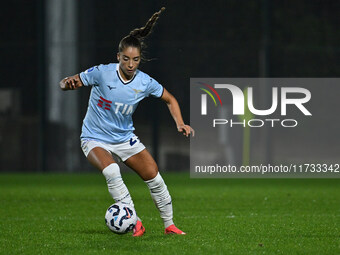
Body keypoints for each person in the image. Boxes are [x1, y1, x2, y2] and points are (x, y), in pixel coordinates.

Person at [59, 7, 194, 236]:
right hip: (94, 138)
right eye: (126, 59)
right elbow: (69, 81)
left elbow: (170, 99)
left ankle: (169, 225)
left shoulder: (144, 82)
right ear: (118, 57)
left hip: (124, 138)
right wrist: (66, 84)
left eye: (136, 60)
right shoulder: (102, 73)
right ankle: (134, 219)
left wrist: (180, 123)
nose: (131, 64)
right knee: (111, 170)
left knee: (154, 176)